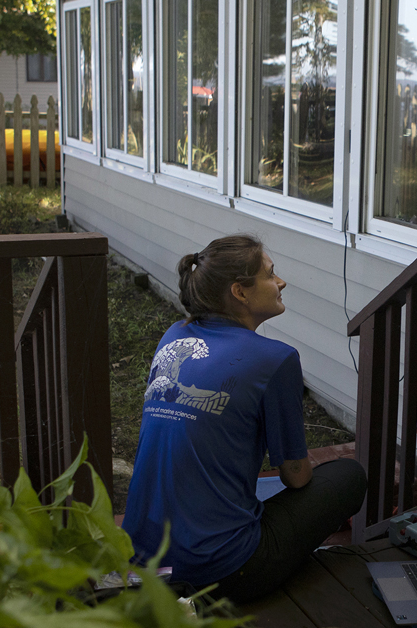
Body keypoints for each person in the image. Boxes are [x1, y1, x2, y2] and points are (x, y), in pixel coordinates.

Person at [121, 235, 367, 604]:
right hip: (221, 571)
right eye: (270, 275)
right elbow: (296, 476)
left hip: (144, 560)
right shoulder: (276, 358)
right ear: (240, 292)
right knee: (348, 475)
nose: (281, 282)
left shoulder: (174, 336)